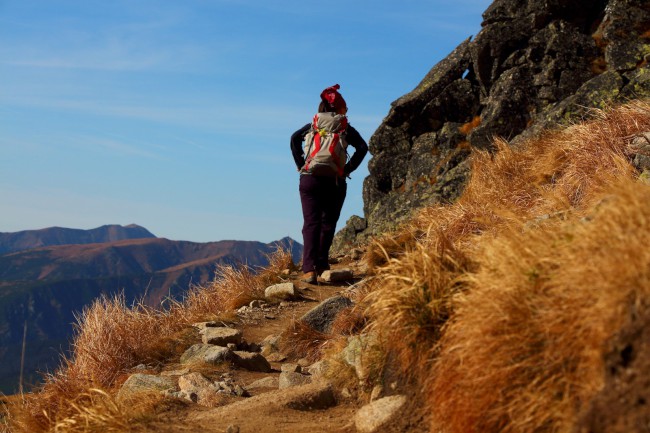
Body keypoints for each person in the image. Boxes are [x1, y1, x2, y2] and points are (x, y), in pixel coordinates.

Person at [290, 84, 368, 284]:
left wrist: (301, 164)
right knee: (328, 223)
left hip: (310, 179)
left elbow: (293, 139)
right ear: (340, 109)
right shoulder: (344, 128)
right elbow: (362, 147)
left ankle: (308, 270)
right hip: (335, 180)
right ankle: (322, 264)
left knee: (311, 223)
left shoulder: (313, 125)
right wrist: (347, 169)